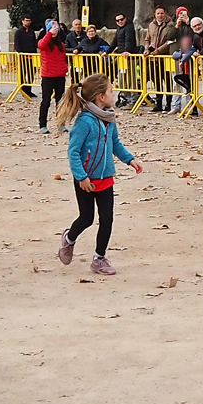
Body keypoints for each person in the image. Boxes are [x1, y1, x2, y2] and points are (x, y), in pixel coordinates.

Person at [53, 72, 143, 277]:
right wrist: (81, 176)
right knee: (86, 218)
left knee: (107, 219)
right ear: (101, 96)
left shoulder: (109, 119)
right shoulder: (85, 122)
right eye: (111, 90)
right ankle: (69, 239)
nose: (114, 93)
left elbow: (115, 144)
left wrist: (130, 159)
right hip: (86, 180)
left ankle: (99, 258)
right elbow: (73, 151)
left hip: (106, 179)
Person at [36, 19, 69, 133]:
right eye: (52, 29)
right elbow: (41, 45)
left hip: (60, 76)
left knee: (60, 102)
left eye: (56, 29)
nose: (55, 31)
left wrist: (65, 69)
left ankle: (61, 123)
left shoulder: (62, 45)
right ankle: (42, 125)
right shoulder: (44, 43)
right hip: (48, 76)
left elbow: (63, 58)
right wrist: (49, 33)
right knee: (46, 101)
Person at [143, 7, 177, 112]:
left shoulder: (170, 25)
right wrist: (147, 49)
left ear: (165, 14)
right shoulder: (151, 25)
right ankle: (158, 104)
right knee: (156, 81)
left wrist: (159, 50)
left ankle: (168, 104)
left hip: (165, 56)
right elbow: (147, 39)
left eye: (162, 13)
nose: (160, 15)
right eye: (158, 13)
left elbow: (170, 41)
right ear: (155, 14)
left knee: (167, 82)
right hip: (154, 58)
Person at [170, 32, 198, 113]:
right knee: (177, 79)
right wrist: (181, 54)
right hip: (184, 72)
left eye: (187, 43)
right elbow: (174, 55)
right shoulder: (181, 50)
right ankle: (186, 89)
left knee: (192, 89)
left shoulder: (192, 49)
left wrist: (182, 59)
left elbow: (190, 52)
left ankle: (193, 108)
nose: (185, 45)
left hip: (191, 72)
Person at [12, 15, 39, 99]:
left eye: (29, 20)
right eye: (26, 20)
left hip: (31, 57)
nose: (28, 22)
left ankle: (28, 90)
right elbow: (17, 45)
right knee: (22, 74)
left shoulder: (31, 32)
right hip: (22, 57)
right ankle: (23, 89)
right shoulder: (19, 32)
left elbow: (34, 44)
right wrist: (20, 53)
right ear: (22, 21)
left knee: (31, 74)